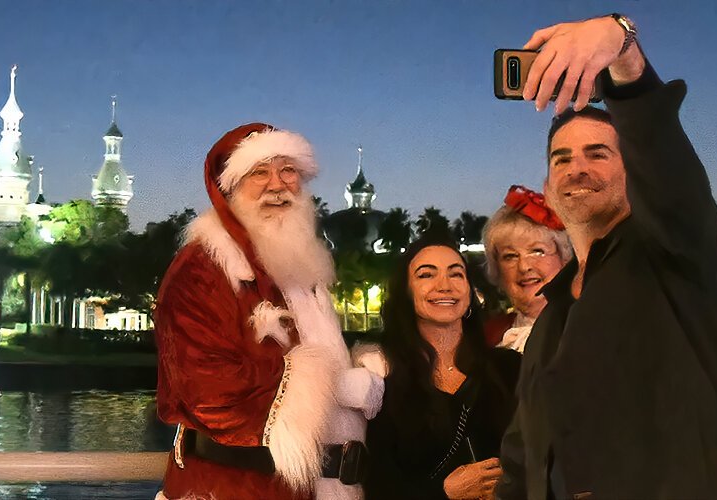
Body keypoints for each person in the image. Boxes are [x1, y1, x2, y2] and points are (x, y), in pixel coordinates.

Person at [495, 14, 717, 499]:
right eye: (562, 159)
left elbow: (666, 161)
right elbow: (521, 462)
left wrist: (622, 49)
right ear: (548, 191)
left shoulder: (675, 257)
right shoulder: (549, 318)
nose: (578, 169)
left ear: (633, 171)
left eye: (598, 154)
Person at [154, 123, 383, 500]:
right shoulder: (203, 269)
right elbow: (206, 389)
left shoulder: (299, 263)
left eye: (288, 171)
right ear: (229, 187)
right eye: (259, 172)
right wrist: (337, 386)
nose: (277, 185)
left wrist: (359, 367)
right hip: (236, 489)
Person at [357, 235, 520, 499]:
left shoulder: (509, 369)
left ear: (469, 290)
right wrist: (445, 492)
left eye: (456, 274)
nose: (444, 286)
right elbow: (377, 485)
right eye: (426, 275)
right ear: (406, 292)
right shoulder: (380, 380)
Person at [480, 186, 572, 353]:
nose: (524, 266)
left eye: (537, 251)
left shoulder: (593, 329)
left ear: (564, 259)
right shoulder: (484, 337)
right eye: (510, 256)